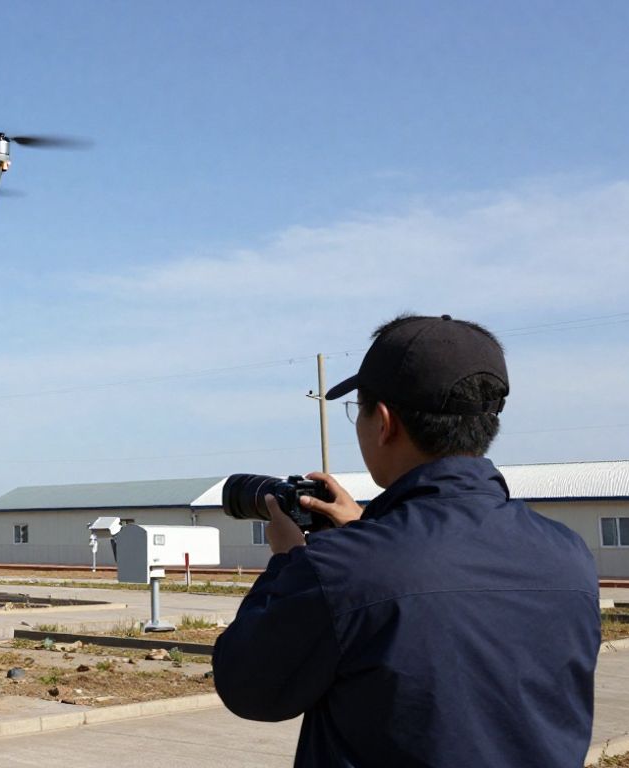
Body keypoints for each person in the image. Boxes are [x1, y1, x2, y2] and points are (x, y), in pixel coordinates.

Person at [211, 314, 599, 767]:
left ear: (385, 423)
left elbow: (250, 689)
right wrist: (366, 531)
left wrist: (289, 561)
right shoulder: (568, 554)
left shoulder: (340, 568)